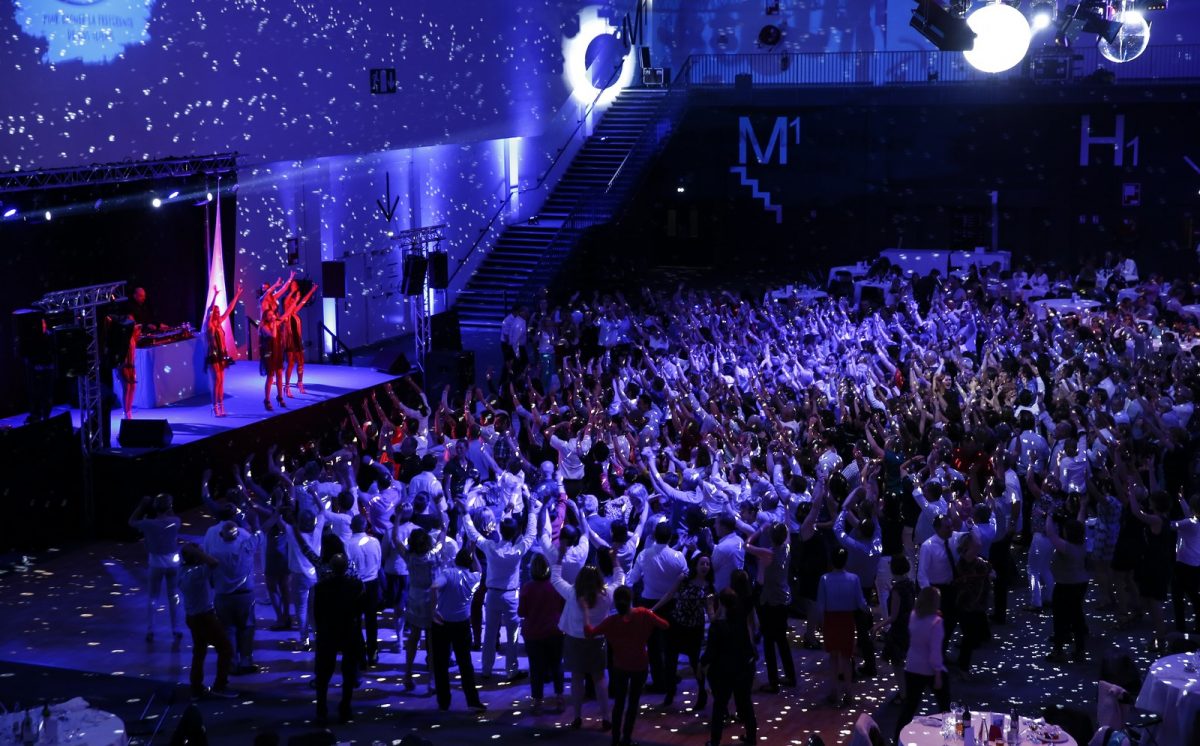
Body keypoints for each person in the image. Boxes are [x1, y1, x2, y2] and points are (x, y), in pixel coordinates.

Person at [585, 585, 669, 746]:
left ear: (615, 602)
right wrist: (649, 615)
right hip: (640, 665)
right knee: (633, 703)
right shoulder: (643, 614)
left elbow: (590, 633)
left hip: (620, 667)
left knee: (619, 703)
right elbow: (665, 625)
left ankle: (615, 739)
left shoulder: (611, 622)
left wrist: (586, 613)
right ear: (631, 599)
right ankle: (627, 739)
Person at [551, 557, 618, 731]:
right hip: (598, 640)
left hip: (574, 640)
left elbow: (555, 579)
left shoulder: (572, 593)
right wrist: (615, 561)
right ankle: (606, 718)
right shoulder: (606, 595)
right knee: (600, 679)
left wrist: (560, 557)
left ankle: (577, 717)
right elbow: (620, 580)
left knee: (577, 678)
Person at [177, 543, 237, 700]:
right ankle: (220, 686)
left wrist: (194, 552)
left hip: (192, 617)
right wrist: (197, 552)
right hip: (204, 617)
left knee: (199, 651)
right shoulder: (196, 573)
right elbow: (214, 562)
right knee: (225, 649)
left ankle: (196, 688)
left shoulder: (182, 571)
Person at [430, 545, 487, 711]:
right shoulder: (474, 578)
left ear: (456, 560)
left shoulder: (448, 573)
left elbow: (434, 587)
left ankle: (444, 702)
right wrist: (474, 553)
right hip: (462, 624)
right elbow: (479, 569)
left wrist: (432, 610)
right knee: (465, 664)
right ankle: (472, 701)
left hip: (442, 624)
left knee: (441, 664)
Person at [701, 588, 757, 746]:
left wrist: (701, 664)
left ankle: (715, 742)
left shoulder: (718, 626)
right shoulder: (741, 620)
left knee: (719, 706)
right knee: (746, 704)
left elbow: (710, 652)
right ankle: (751, 738)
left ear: (721, 604)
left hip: (722, 672)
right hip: (743, 669)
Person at [313, 553, 363, 725]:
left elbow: (317, 613)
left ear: (331, 567)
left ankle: (321, 710)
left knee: (323, 674)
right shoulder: (355, 585)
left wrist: (319, 631)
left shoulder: (321, 587)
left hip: (327, 632)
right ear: (346, 567)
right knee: (349, 674)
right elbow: (359, 611)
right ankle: (345, 709)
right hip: (349, 631)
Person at [894, 586, 949, 744]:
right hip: (930, 669)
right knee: (945, 707)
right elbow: (935, 652)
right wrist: (938, 674)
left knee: (909, 707)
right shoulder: (936, 622)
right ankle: (948, 739)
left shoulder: (913, 616)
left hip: (912, 666)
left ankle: (897, 740)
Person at [815, 547, 868, 707]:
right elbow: (861, 602)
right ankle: (848, 692)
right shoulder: (854, 578)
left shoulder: (825, 579)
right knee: (846, 657)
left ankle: (834, 691)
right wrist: (868, 611)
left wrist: (820, 621)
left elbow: (820, 604)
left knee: (833, 656)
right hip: (847, 620)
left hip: (831, 620)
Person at [128, 493, 182, 643]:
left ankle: (151, 629)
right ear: (169, 507)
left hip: (156, 564)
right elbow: (172, 515)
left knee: (153, 597)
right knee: (173, 596)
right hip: (173, 563)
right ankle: (176, 629)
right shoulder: (176, 521)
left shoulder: (148, 523)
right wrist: (169, 506)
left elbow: (131, 521)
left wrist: (141, 506)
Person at [519, 553, 566, 714]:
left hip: (533, 633)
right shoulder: (555, 586)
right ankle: (559, 698)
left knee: (536, 668)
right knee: (556, 665)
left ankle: (538, 702)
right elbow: (562, 608)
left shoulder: (527, 588)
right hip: (554, 631)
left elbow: (521, 612)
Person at [204, 283, 243, 417]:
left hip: (222, 354)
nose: (218, 313)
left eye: (218, 311)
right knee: (217, 381)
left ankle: (221, 405)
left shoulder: (219, 322)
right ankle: (214, 406)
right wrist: (215, 296)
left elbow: (230, 308)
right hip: (213, 354)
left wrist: (237, 294)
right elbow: (209, 311)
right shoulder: (209, 325)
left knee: (221, 381)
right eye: (215, 312)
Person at [281, 280, 318, 397]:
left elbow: (304, 300)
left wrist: (312, 290)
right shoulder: (286, 315)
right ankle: (287, 387)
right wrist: (292, 292)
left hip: (298, 341)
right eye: (291, 301)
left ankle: (300, 382)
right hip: (290, 341)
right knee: (291, 363)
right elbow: (287, 301)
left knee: (301, 362)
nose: (293, 302)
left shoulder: (295, 313)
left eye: (294, 301)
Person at [118, 319, 141, 420]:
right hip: (123, 365)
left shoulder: (133, 338)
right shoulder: (123, 338)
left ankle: (129, 410)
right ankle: (126, 412)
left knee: (132, 388)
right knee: (126, 388)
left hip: (131, 366)